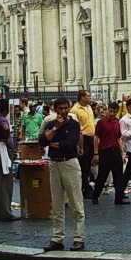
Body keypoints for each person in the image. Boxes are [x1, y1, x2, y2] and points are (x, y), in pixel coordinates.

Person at [39, 96, 86, 251]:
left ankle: (79, 238)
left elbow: (70, 144)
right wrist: (55, 129)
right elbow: (42, 141)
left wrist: (55, 143)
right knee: (57, 203)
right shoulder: (51, 124)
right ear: (55, 109)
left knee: (76, 202)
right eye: (60, 108)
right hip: (54, 164)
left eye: (66, 108)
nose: (64, 111)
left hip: (69, 163)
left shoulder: (74, 124)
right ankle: (57, 238)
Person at [0, 98, 20, 221]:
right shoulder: (2, 120)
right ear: (7, 108)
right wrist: (7, 139)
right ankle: (6, 213)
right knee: (5, 183)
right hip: (3, 152)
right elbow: (6, 128)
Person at [91, 101, 128, 205]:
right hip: (105, 151)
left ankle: (119, 198)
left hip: (115, 150)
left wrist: (122, 153)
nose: (112, 114)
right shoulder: (101, 122)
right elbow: (96, 137)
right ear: (108, 110)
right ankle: (95, 195)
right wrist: (96, 153)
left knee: (118, 176)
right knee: (102, 175)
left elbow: (119, 138)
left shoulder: (117, 122)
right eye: (110, 111)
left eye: (114, 112)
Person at [71, 90, 96, 197]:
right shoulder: (75, 110)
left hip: (91, 138)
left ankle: (87, 184)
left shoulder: (89, 107)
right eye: (88, 96)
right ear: (82, 97)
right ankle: (85, 187)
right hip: (83, 138)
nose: (90, 98)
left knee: (89, 163)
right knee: (84, 164)